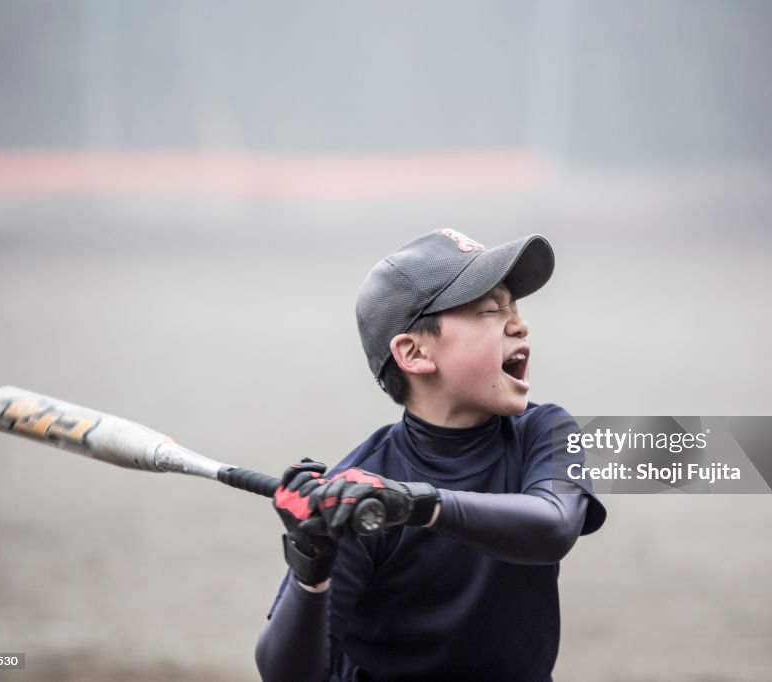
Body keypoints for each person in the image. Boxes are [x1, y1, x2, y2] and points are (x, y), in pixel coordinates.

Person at [256, 229, 606, 682]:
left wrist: (415, 504)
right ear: (415, 353)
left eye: (514, 308)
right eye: (490, 310)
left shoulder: (543, 431)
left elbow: (553, 525)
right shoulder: (360, 492)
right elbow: (286, 675)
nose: (519, 325)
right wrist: (311, 563)